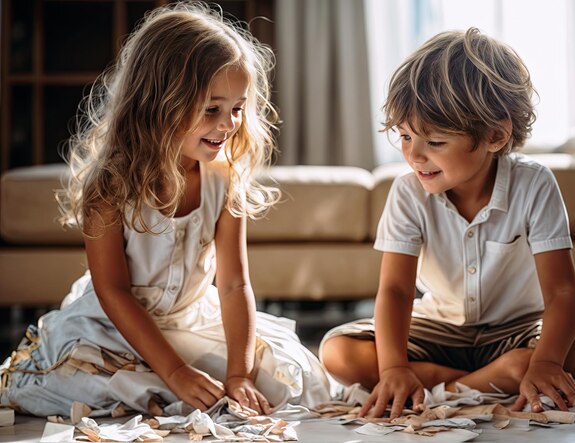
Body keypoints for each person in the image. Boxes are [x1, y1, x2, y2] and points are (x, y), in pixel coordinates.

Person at [0, 2, 332, 418]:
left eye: (237, 108)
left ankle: (181, 384)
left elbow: (233, 286)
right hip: (114, 326)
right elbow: (113, 293)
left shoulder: (223, 180)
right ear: (158, 103)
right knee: (95, 383)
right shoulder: (111, 185)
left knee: (291, 373)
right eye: (212, 109)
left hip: (189, 321)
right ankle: (160, 383)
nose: (228, 124)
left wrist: (238, 375)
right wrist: (175, 371)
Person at [320, 27, 575, 419]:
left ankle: (450, 382)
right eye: (403, 136)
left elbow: (561, 295)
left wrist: (545, 362)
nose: (414, 156)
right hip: (439, 327)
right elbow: (397, 291)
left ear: (495, 136)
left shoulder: (534, 183)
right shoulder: (407, 193)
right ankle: (486, 379)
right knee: (339, 353)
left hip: (516, 328)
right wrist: (394, 368)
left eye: (434, 143)